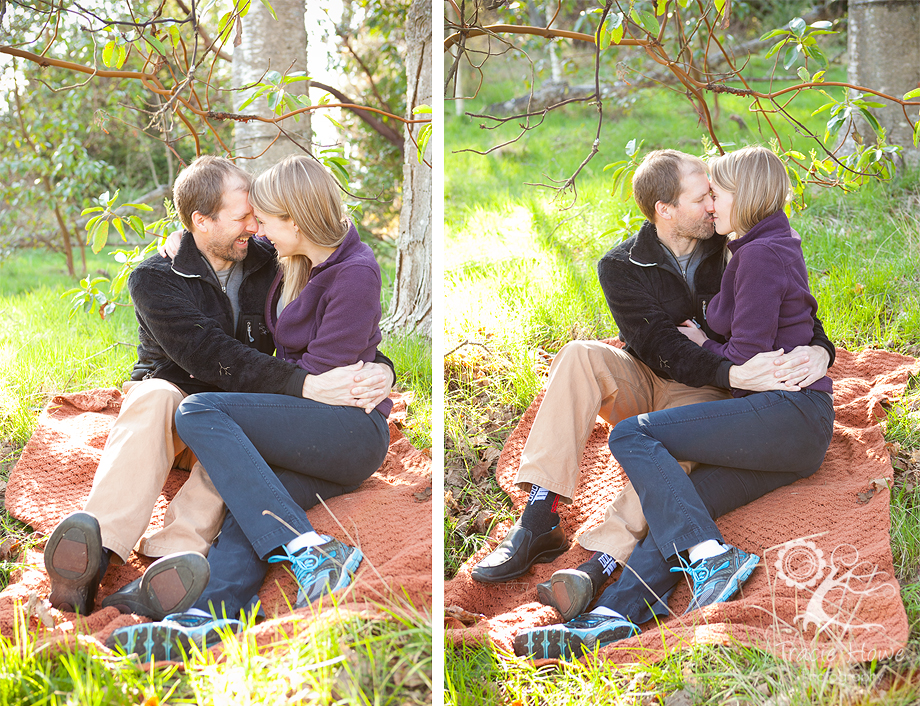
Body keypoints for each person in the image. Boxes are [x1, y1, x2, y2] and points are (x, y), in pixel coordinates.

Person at [514, 146, 835, 660]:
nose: (711, 204)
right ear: (665, 208)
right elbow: (664, 344)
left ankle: (697, 557)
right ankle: (612, 614)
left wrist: (821, 351)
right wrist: (725, 362)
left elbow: (792, 314)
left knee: (632, 435)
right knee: (684, 508)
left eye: (717, 192)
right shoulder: (627, 264)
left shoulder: (741, 249)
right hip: (743, 413)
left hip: (778, 410)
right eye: (703, 195)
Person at [43, 156, 394, 621]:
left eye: (258, 215)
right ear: (200, 222)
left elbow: (342, 315)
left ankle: (172, 567)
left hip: (237, 416)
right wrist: (304, 385)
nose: (255, 226)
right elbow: (210, 355)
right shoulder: (155, 277)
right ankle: (97, 552)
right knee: (157, 396)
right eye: (243, 217)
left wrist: (381, 368)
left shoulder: (269, 261)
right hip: (178, 410)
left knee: (235, 442)